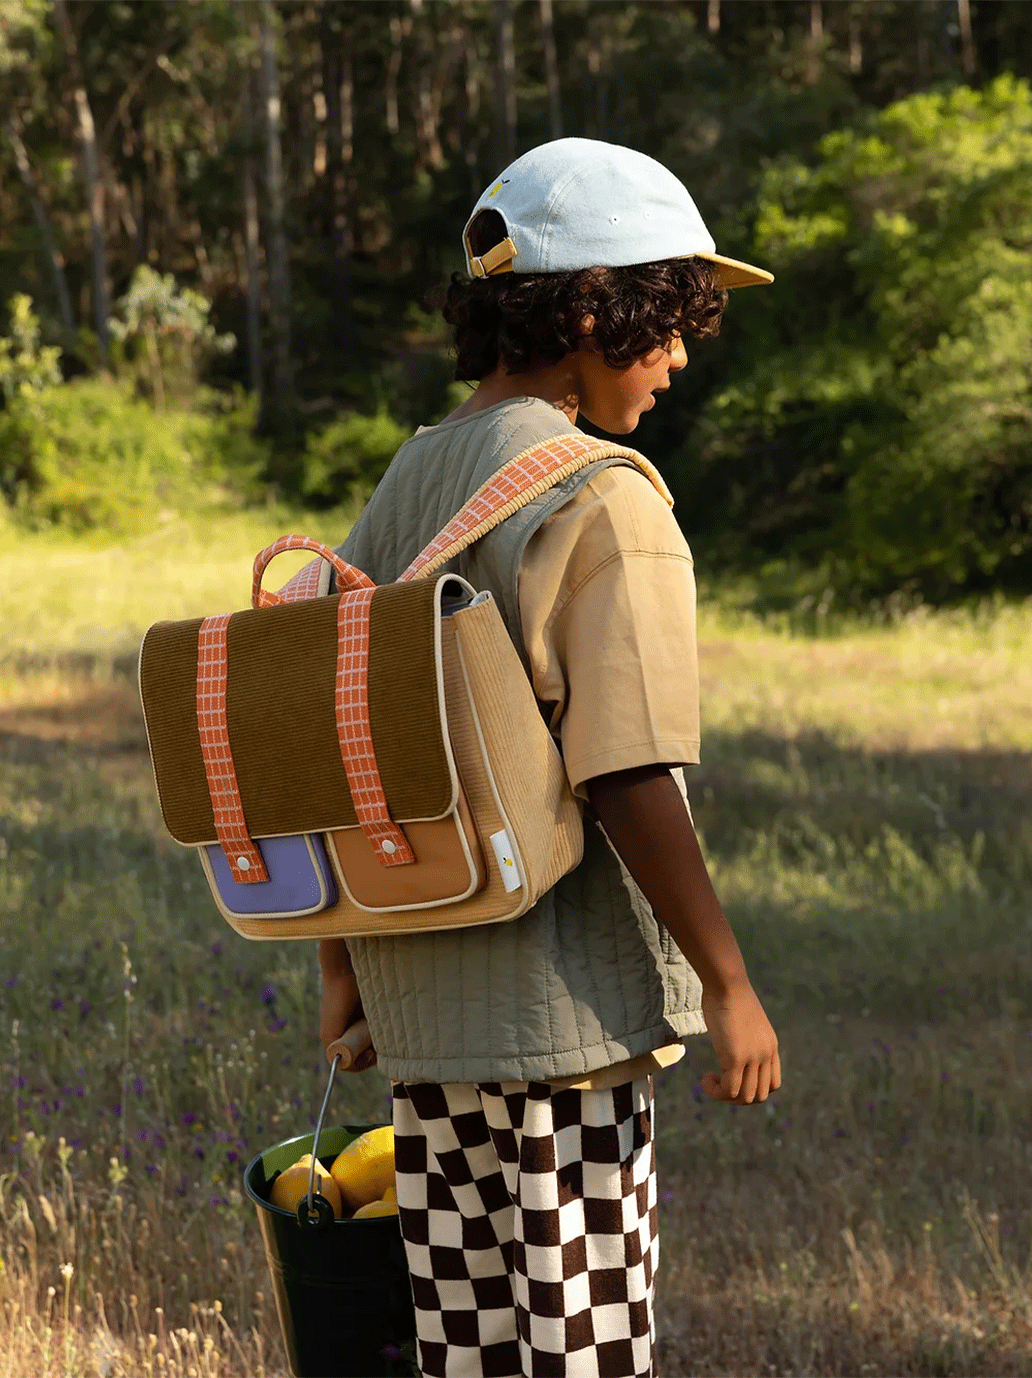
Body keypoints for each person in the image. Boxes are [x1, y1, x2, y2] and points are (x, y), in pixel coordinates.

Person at [319, 138, 781, 1378]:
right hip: (561, 1024)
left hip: (427, 1020)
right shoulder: (605, 494)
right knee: (580, 1340)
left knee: (469, 1345)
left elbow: (330, 735)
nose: (682, 354)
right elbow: (625, 767)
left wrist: (340, 968)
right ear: (590, 309)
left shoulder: (405, 481)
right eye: (668, 318)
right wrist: (727, 981)